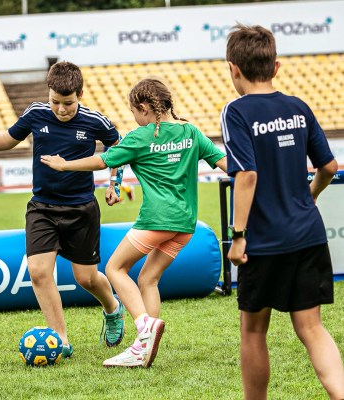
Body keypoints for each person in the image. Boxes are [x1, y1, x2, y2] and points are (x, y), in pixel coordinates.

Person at [41, 77, 227, 368]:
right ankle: (146, 347)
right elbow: (229, 164)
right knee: (148, 279)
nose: (133, 118)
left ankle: (143, 328)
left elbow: (102, 161)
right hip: (186, 225)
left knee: (116, 269)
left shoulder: (140, 137)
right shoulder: (191, 131)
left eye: (133, 112)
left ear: (143, 108)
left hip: (156, 220)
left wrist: (65, 164)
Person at [220, 24, 344, 399]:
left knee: (254, 330)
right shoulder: (298, 107)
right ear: (276, 67)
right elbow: (329, 168)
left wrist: (238, 236)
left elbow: (247, 176)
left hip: (263, 242)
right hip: (308, 234)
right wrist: (310, 196)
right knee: (312, 328)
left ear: (233, 69)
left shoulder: (235, 112)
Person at [0, 61, 125, 358]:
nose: (61, 109)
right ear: (48, 93)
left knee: (86, 278)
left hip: (81, 209)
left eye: (68, 103)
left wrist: (114, 183)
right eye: (55, 102)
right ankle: (60, 339)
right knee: (39, 272)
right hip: (42, 207)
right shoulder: (36, 113)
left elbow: (118, 149)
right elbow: (9, 139)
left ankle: (112, 307)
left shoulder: (95, 121)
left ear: (80, 93)